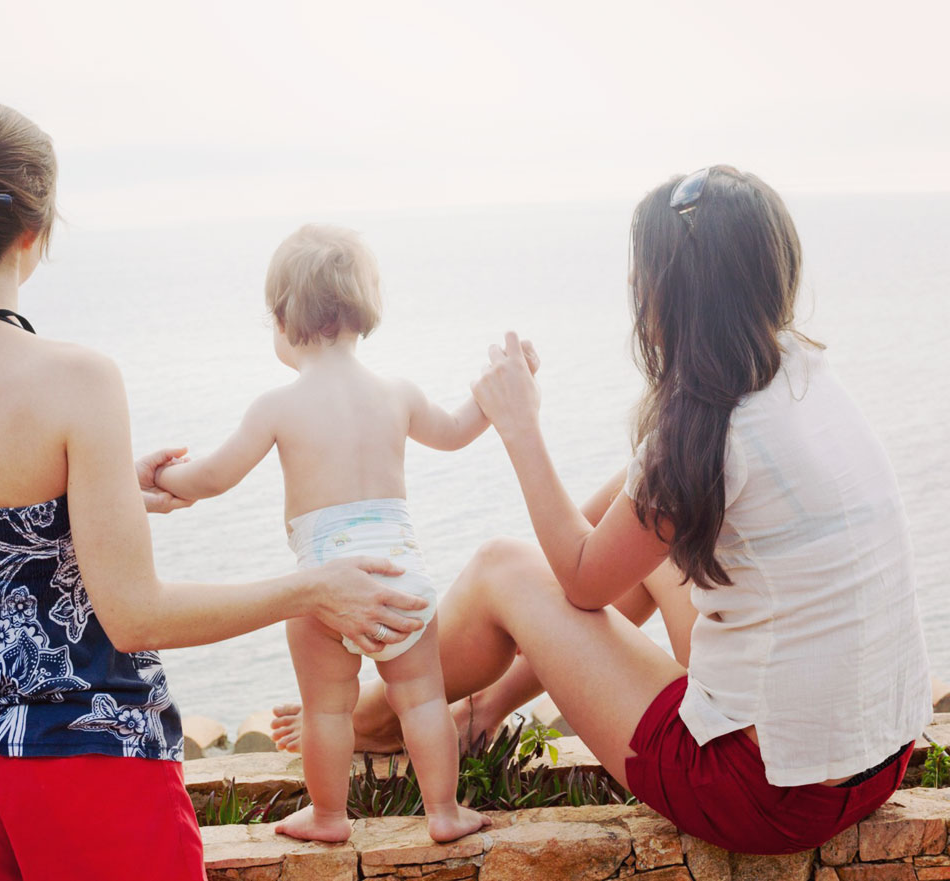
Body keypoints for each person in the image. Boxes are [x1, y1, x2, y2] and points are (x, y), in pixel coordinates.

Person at [0, 100, 428, 881]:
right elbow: (133, 615)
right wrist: (313, 587)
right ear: (36, 229)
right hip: (88, 764)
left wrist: (107, 496)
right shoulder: (77, 378)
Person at [272, 167, 932, 855]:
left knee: (506, 567)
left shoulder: (699, 434)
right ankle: (481, 707)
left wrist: (519, 426)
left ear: (666, 295)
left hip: (764, 793)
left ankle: (379, 715)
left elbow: (585, 580)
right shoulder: (796, 372)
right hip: (873, 758)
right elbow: (624, 535)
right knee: (628, 510)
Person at [153, 224, 505, 843]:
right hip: (402, 577)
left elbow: (214, 477)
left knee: (327, 708)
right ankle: (444, 813)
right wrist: (494, 392)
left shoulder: (278, 405)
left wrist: (162, 478)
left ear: (284, 319)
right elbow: (455, 431)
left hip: (323, 580)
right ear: (362, 308)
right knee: (421, 700)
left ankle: (328, 816)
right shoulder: (397, 393)